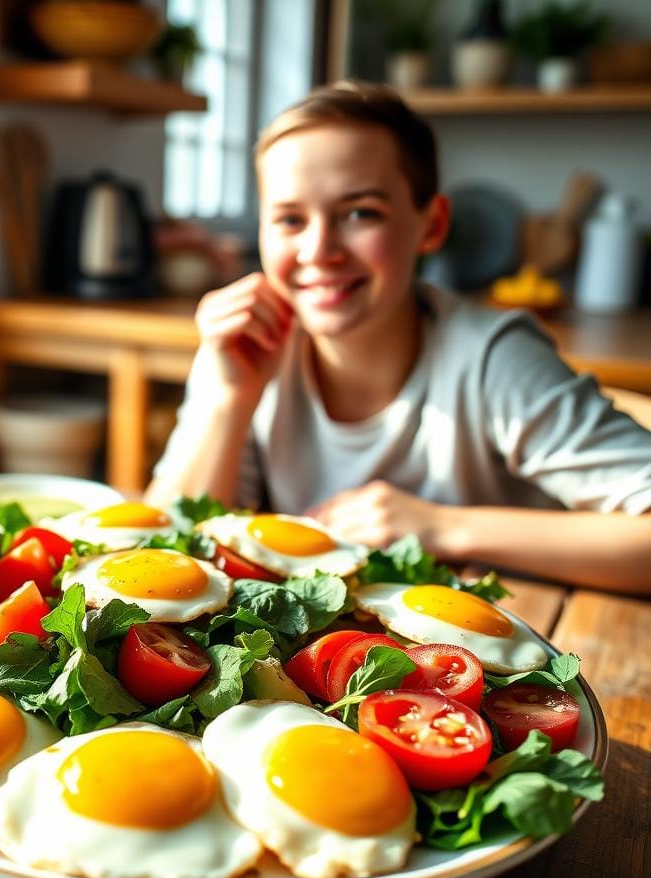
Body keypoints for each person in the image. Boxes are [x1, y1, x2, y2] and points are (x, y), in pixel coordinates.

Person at [146, 81, 651, 594]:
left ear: (431, 225)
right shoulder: (248, 352)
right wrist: (227, 401)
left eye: (361, 213)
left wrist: (443, 526)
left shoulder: (493, 359)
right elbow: (158, 566)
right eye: (290, 219)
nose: (318, 250)